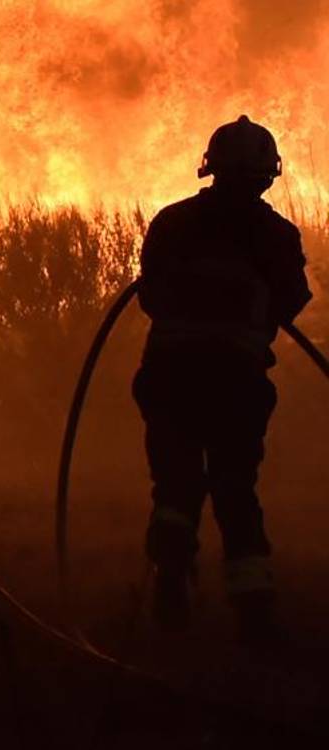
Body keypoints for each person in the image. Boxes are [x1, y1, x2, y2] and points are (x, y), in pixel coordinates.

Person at [136, 115, 311, 642]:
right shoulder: (276, 234)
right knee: (235, 487)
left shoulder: (172, 222)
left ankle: (170, 585)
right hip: (237, 382)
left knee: (176, 485)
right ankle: (254, 612)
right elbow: (292, 301)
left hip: (168, 378)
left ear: (209, 168)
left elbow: (150, 296)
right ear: (267, 175)